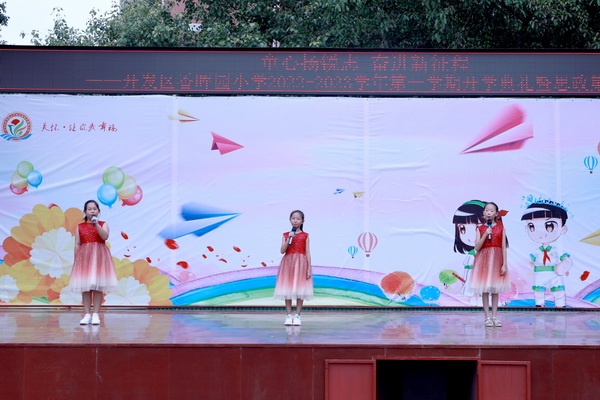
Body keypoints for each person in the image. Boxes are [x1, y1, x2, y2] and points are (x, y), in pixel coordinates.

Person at [69, 200, 117, 325]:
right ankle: (87, 314)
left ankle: (96, 314)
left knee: (97, 286)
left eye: (94, 209)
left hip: (99, 258)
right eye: (89, 209)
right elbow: (77, 244)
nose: (92, 211)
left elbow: (104, 237)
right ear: (85, 211)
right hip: (84, 259)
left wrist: (96, 225)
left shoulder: (103, 224)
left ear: (98, 211)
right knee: (85, 287)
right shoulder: (80, 226)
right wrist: (76, 260)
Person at [521, 200, 572, 308]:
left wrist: (562, 267)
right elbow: (529, 261)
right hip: (540, 272)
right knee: (538, 290)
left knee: (558, 290)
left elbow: (567, 260)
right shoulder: (537, 251)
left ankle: (560, 305)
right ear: (527, 229)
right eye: (532, 226)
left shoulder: (557, 249)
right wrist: (533, 267)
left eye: (549, 226)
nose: (540, 232)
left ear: (563, 229)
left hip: (554, 272)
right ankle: (539, 305)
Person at [468, 202, 510, 327]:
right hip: (483, 260)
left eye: (491, 210)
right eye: (487, 210)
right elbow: (477, 247)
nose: (489, 212)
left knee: (495, 289)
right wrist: (486, 234)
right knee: (485, 289)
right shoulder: (480, 228)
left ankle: (495, 316)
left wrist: (504, 264)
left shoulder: (501, 228)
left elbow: (503, 247)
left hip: (497, 260)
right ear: (483, 213)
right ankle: (487, 317)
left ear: (496, 214)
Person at [274, 210, 313, 326]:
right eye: (293, 218)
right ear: (290, 220)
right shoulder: (286, 234)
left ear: (302, 221)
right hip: (288, 264)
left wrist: (309, 268)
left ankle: (297, 315)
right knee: (288, 288)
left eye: (298, 219)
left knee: (300, 289)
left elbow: (307, 252)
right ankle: (288, 315)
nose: (295, 221)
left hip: (301, 264)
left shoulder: (305, 235)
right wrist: (288, 239)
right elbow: (282, 251)